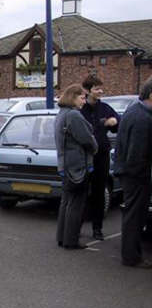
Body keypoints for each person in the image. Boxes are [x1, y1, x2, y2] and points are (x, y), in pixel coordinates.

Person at [113, 76, 152, 268]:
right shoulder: (143, 118)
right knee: (134, 218)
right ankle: (131, 257)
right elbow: (136, 155)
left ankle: (131, 254)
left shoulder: (134, 110)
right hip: (135, 176)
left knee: (132, 216)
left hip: (128, 173)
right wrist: (143, 176)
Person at [55, 84, 98, 249]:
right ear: (73, 97)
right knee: (76, 204)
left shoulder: (61, 114)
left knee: (66, 202)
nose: (84, 101)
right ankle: (71, 240)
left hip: (65, 165)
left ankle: (62, 238)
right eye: (81, 98)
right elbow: (87, 139)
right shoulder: (74, 115)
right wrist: (95, 147)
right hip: (77, 166)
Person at [80, 75, 120, 240]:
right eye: (97, 89)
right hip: (84, 156)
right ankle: (77, 227)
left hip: (102, 156)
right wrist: (103, 123)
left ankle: (97, 229)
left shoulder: (105, 108)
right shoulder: (80, 109)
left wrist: (114, 121)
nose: (100, 91)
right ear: (88, 91)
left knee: (99, 193)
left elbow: (118, 124)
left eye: (101, 88)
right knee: (81, 193)